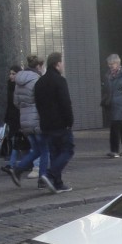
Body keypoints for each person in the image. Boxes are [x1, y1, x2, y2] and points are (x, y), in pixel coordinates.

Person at [33, 50, 74, 192]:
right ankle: (50, 174)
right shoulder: (60, 81)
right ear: (57, 64)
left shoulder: (39, 83)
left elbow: (37, 104)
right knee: (68, 149)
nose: (63, 65)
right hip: (61, 124)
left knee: (55, 152)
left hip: (46, 125)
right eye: (62, 62)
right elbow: (65, 103)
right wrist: (70, 121)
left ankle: (58, 183)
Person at [9, 54, 48, 187]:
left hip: (24, 120)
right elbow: (42, 100)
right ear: (38, 66)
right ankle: (42, 178)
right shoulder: (38, 80)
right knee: (44, 149)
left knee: (36, 150)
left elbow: (16, 102)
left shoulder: (18, 81)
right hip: (37, 119)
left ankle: (18, 170)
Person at [0, 64, 24, 178]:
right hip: (13, 118)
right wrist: (7, 118)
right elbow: (10, 105)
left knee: (20, 142)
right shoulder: (10, 86)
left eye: (13, 73)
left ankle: (13, 164)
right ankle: (13, 164)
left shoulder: (21, 86)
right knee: (17, 141)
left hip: (21, 117)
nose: (11, 76)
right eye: (10, 74)